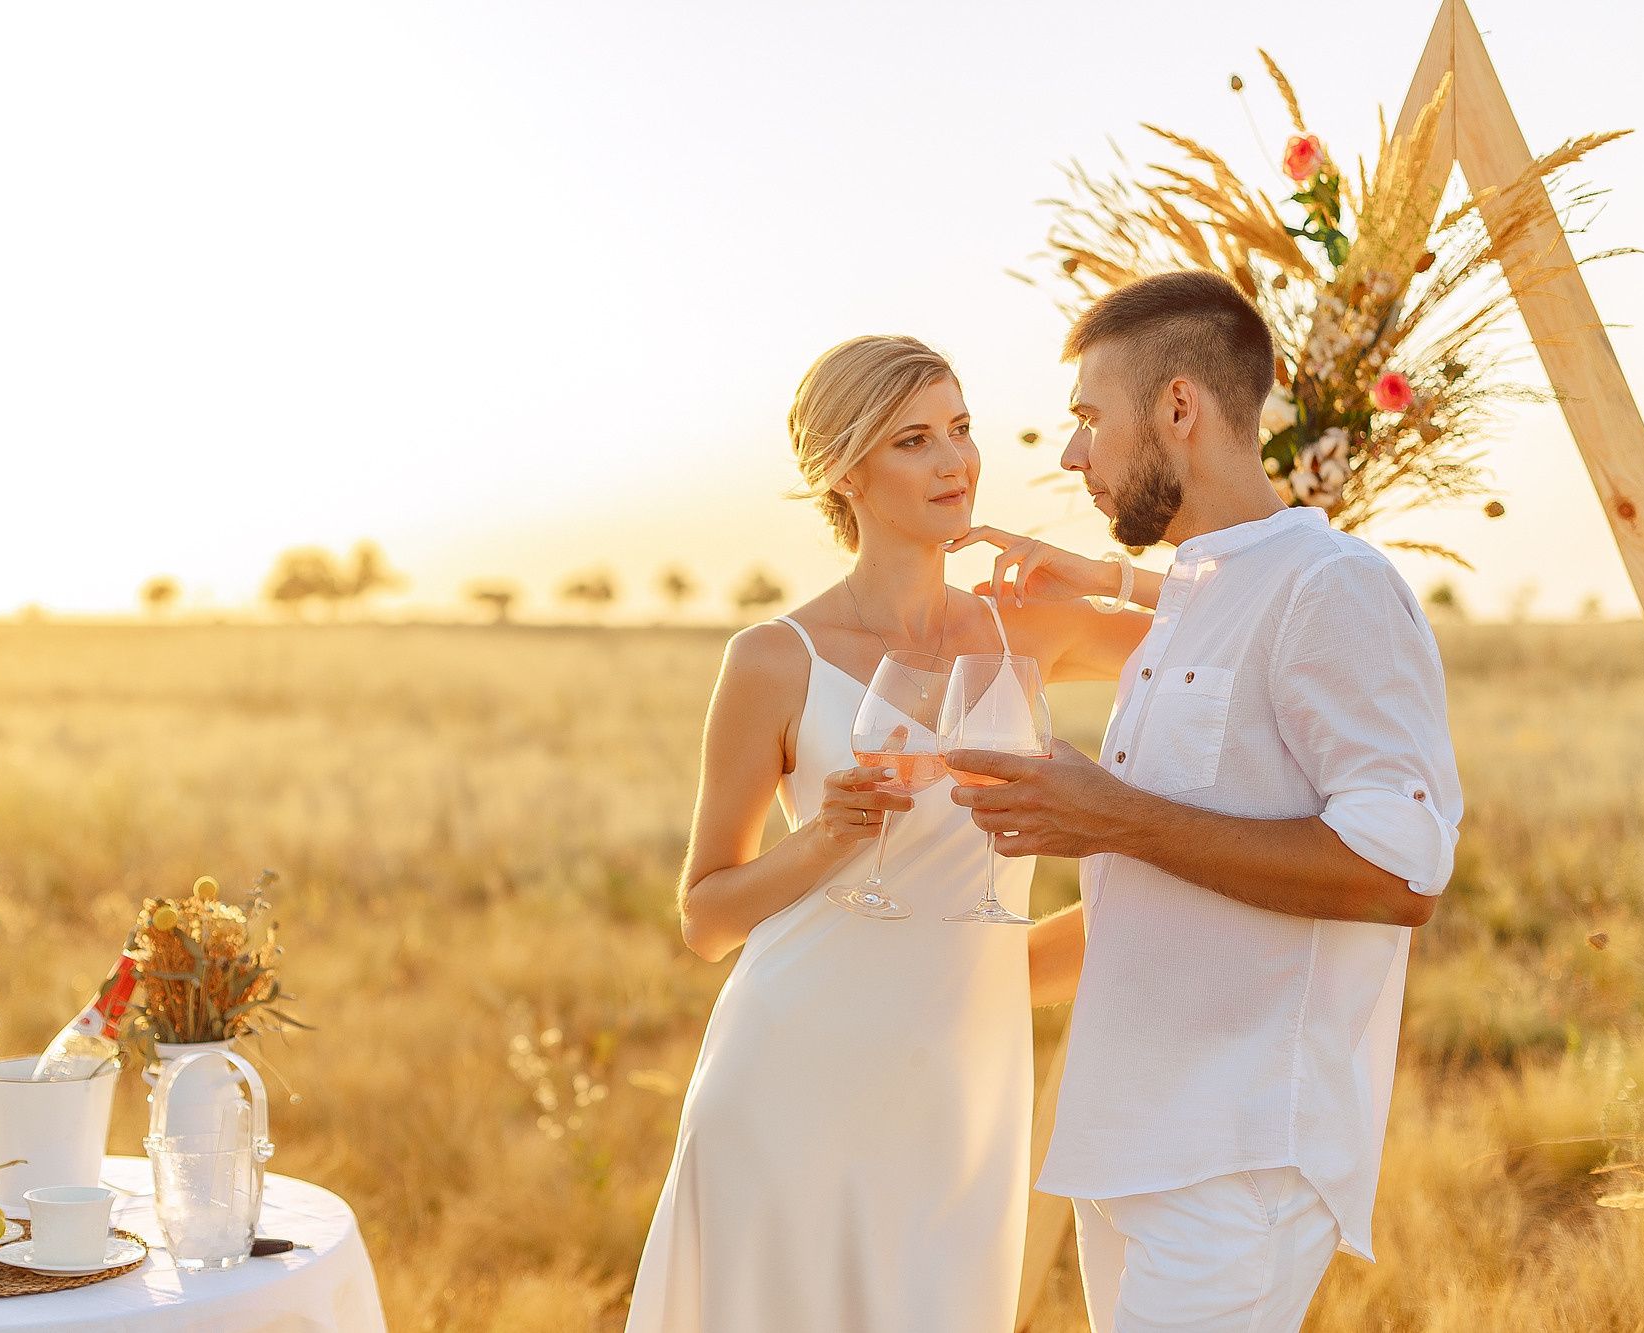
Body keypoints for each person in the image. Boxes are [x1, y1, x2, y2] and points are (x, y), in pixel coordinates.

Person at [947, 269, 1463, 1332]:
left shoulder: (1335, 587)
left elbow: (1399, 872)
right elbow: (1151, 896)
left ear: (1177, 407)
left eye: (1089, 418)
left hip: (1234, 1159)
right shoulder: (1196, 594)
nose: (1070, 454)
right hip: (1124, 1142)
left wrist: (1107, 815)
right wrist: (934, 981)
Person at [624, 334, 1154, 1332]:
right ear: (843, 471)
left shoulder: (1028, 631)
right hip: (790, 1074)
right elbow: (702, 918)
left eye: (960, 429)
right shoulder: (770, 660)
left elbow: (1250, 637)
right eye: (913, 439)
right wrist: (822, 841)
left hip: (961, 1085)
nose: (953, 461)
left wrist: (1100, 576)